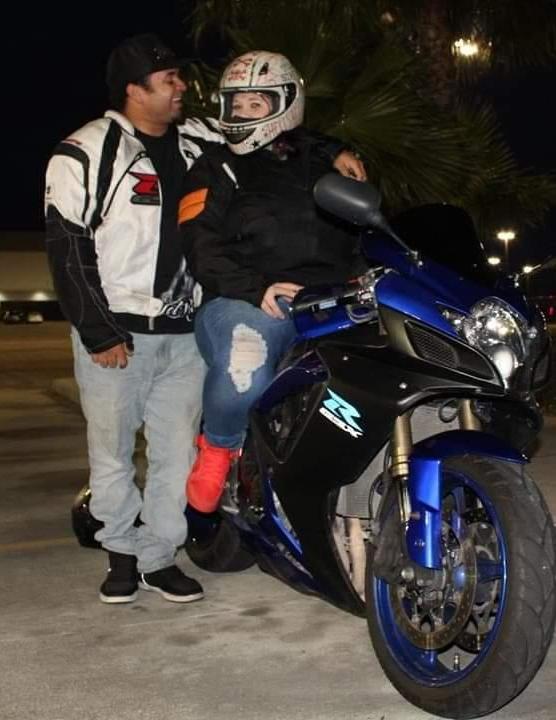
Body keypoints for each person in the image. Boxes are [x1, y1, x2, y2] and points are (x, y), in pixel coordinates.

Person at [45, 36, 365, 604]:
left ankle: (159, 556)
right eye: (168, 79)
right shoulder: (85, 151)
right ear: (134, 90)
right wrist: (98, 331)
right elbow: (67, 247)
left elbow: (280, 131)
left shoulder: (200, 138)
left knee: (174, 454)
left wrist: (336, 148)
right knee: (113, 453)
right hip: (118, 330)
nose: (182, 87)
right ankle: (121, 554)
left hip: (183, 330)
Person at [179, 51, 368, 514]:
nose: (242, 113)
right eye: (236, 104)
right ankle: (219, 447)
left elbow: (363, 230)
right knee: (245, 361)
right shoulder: (214, 166)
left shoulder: (325, 163)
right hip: (247, 300)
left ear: (286, 103)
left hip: (331, 300)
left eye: (255, 104)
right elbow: (200, 245)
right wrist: (255, 287)